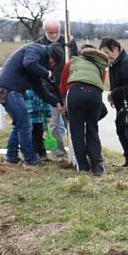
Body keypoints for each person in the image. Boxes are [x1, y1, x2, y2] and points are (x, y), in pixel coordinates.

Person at [0, 42, 63, 166]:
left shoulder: (36, 65)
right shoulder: (35, 49)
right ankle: (30, 160)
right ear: (51, 57)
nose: (51, 66)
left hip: (7, 90)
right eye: (53, 63)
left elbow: (39, 88)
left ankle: (11, 156)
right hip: (9, 90)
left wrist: (56, 102)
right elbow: (29, 63)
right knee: (26, 124)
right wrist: (47, 74)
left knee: (19, 125)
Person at [59, 44, 109, 176]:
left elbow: (63, 86)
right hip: (94, 95)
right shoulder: (100, 65)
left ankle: (83, 166)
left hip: (75, 93)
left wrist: (64, 104)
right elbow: (100, 83)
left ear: (82, 54)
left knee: (77, 132)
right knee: (92, 129)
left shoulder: (72, 62)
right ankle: (97, 166)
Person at [100, 37, 128, 172]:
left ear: (115, 49)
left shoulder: (127, 63)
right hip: (121, 104)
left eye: (107, 53)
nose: (106, 56)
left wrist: (114, 93)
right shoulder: (114, 63)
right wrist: (114, 94)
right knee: (121, 130)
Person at [36, 19, 78, 159]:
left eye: (56, 32)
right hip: (49, 89)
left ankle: (74, 149)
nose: (54, 35)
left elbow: (76, 61)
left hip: (68, 87)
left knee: (70, 120)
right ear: (44, 31)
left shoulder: (68, 43)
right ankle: (59, 152)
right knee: (53, 123)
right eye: (50, 32)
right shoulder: (39, 45)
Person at [24, 88, 51, 161]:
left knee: (39, 137)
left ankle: (42, 154)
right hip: (29, 119)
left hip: (39, 119)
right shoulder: (25, 91)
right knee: (32, 137)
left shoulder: (41, 91)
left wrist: (48, 115)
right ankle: (34, 154)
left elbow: (45, 103)